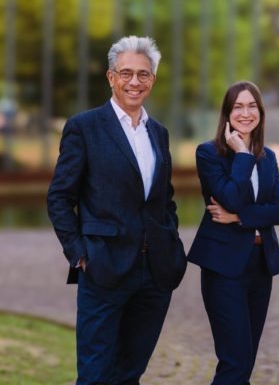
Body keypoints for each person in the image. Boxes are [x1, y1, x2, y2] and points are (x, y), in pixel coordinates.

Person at [47, 35, 187, 385]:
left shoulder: (159, 133)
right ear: (111, 77)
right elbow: (60, 197)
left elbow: (164, 199)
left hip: (154, 274)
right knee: (95, 375)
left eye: (143, 74)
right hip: (103, 268)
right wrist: (80, 253)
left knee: (130, 374)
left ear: (153, 79)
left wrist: (170, 242)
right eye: (126, 73)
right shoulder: (84, 127)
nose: (134, 82)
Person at [187, 81, 279, 384]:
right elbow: (230, 197)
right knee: (235, 361)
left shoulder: (268, 157)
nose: (246, 113)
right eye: (238, 107)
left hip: (261, 264)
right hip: (224, 267)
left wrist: (238, 217)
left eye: (252, 106)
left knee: (245, 361)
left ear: (260, 112)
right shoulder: (209, 153)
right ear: (227, 114)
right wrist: (242, 154)